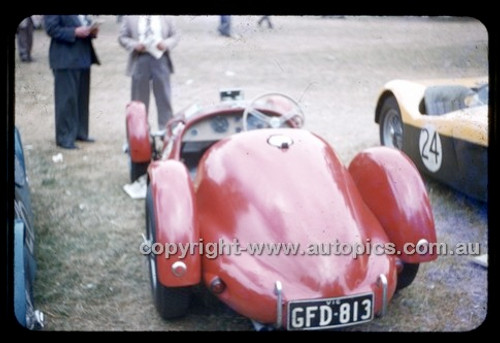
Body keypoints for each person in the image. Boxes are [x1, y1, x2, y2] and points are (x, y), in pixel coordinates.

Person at [44, 15, 100, 149]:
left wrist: (91, 31)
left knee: (82, 99)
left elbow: (83, 24)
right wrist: (74, 32)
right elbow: (51, 29)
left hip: (83, 57)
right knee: (66, 100)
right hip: (65, 58)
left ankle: (80, 133)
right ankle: (64, 138)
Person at [118, 15, 179, 130]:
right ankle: (139, 133)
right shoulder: (130, 17)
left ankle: (166, 133)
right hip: (140, 59)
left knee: (164, 99)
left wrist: (165, 44)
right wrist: (134, 45)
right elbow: (122, 37)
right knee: (139, 101)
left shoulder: (166, 17)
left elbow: (175, 36)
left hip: (160, 60)